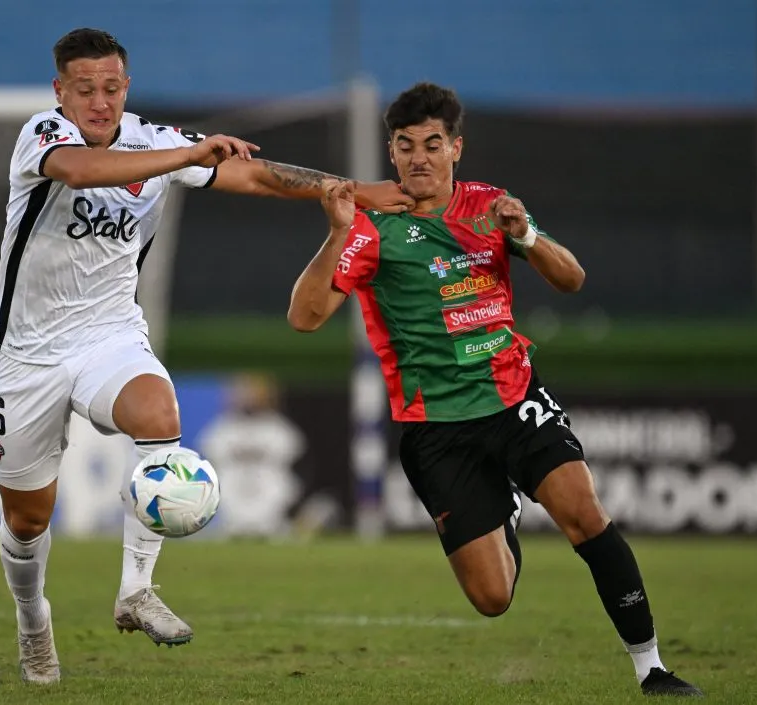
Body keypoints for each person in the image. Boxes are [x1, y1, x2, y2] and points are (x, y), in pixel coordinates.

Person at [0, 27, 413, 684]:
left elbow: (257, 175)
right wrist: (185, 155)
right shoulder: (43, 136)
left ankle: (134, 591)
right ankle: (33, 618)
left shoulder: (155, 141)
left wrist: (352, 190)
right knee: (27, 518)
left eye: (112, 88)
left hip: (109, 337)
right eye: (85, 89)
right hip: (28, 355)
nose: (100, 102)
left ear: (126, 86)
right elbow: (81, 170)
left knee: (159, 413)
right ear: (60, 91)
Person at [286, 82, 703, 698]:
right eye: (405, 147)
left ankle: (652, 669)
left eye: (433, 144)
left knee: (585, 517)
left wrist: (527, 236)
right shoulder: (370, 231)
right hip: (438, 428)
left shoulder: (489, 208)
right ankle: (501, 510)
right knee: (491, 599)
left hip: (515, 398)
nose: (419, 158)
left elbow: (572, 279)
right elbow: (305, 317)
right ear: (391, 153)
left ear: (457, 148)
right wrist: (334, 232)